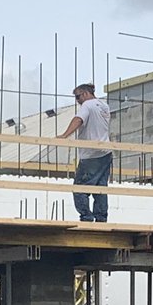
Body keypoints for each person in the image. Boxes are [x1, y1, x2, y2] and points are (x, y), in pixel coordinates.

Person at [59, 84, 113, 222]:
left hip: (90, 155)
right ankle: (101, 219)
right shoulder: (104, 106)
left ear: (85, 94)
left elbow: (78, 120)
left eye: (78, 97)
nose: (77, 101)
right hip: (105, 153)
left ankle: (86, 217)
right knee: (100, 188)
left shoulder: (87, 105)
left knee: (79, 189)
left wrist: (65, 135)